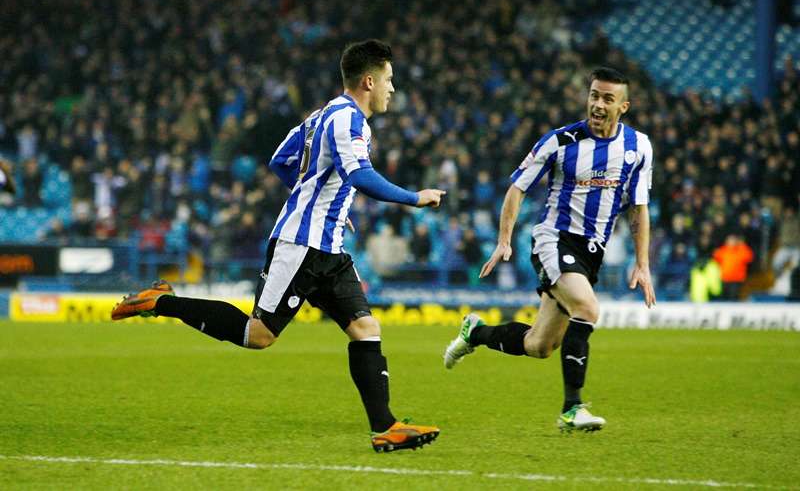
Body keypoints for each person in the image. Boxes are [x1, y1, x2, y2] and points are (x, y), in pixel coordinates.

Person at [112, 40, 446, 452]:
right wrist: (415, 198)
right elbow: (359, 174)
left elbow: (280, 160)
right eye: (390, 80)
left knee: (365, 328)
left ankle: (386, 427)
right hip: (301, 245)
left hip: (330, 247)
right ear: (369, 80)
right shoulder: (350, 121)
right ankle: (162, 302)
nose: (393, 89)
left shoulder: (321, 115)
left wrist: (327, 202)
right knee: (259, 335)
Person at [444, 67, 656, 432]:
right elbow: (517, 188)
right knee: (588, 308)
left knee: (540, 346)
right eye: (594, 95)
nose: (598, 104)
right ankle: (572, 409)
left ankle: (474, 333)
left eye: (608, 98)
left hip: (591, 252)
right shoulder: (560, 142)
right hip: (553, 239)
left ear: (624, 106)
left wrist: (643, 263)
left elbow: (638, 207)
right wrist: (504, 240)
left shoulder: (639, 148)